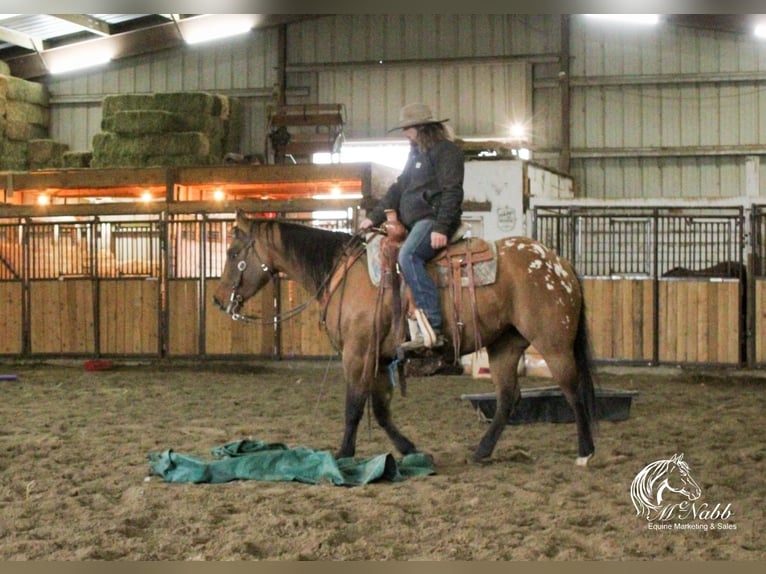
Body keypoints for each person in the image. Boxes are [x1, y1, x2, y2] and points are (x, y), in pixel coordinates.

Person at [360, 102, 465, 351]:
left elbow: (452, 191)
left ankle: (432, 324)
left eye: (408, 128)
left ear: (423, 128)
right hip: (417, 222)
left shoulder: (446, 152)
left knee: (409, 255)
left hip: (432, 220)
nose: (405, 134)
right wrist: (373, 217)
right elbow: (398, 188)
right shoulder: (416, 154)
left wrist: (441, 227)